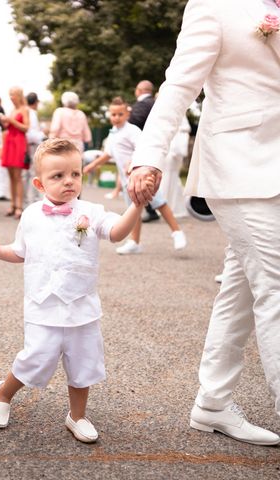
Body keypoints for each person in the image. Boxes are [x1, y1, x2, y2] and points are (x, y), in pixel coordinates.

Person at [128, 0, 280, 446]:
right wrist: (148, 158)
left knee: (242, 288)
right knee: (276, 286)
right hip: (238, 164)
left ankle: (212, 404)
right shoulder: (212, 6)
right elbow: (178, 87)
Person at [0, 138, 143, 442]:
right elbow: (20, 252)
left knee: (83, 363)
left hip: (82, 305)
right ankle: (2, 393)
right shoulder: (30, 215)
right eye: (58, 176)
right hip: (43, 305)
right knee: (35, 358)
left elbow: (117, 233)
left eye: (75, 174)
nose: (69, 181)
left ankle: (77, 416)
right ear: (39, 183)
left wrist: (137, 205)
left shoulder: (91, 212)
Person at [84, 97, 187, 255]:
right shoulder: (112, 134)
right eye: (113, 114)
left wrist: (132, 162)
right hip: (127, 183)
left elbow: (142, 149)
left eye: (120, 114)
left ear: (127, 114)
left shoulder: (132, 130)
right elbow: (108, 154)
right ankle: (135, 242)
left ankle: (176, 232)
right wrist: (92, 165)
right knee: (133, 211)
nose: (116, 117)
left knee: (159, 203)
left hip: (143, 177)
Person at [128, 80, 160, 223]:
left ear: (139, 90)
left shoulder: (142, 104)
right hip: (154, 146)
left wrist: (128, 115)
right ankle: (149, 208)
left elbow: (135, 122)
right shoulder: (155, 103)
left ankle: (148, 208)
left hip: (140, 145)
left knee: (139, 177)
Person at [0, 86, 30, 219]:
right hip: (9, 141)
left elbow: (26, 128)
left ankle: (19, 206)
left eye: (13, 94)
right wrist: (5, 122)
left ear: (19, 95)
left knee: (18, 176)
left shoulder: (24, 110)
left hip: (18, 142)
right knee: (11, 176)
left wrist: (11, 120)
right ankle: (12, 205)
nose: (11, 97)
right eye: (10, 94)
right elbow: (9, 126)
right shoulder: (12, 110)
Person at [23, 92, 45, 206]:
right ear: (35, 102)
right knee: (32, 174)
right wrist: (42, 136)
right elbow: (31, 133)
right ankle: (33, 201)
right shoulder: (31, 113)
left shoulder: (30, 113)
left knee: (27, 175)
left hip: (30, 145)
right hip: (31, 146)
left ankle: (28, 201)